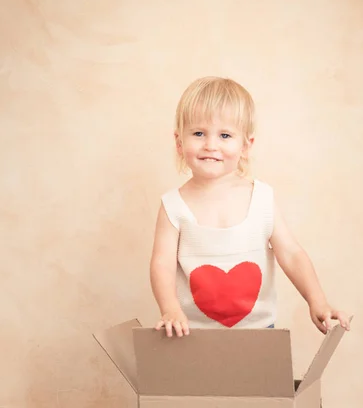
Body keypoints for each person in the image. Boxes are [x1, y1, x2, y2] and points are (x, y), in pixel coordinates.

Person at [150, 76, 350, 337]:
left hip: (259, 331)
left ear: (245, 146)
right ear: (179, 142)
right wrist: (170, 309)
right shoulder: (173, 206)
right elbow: (162, 263)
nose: (211, 145)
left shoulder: (261, 198)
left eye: (225, 135)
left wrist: (317, 300)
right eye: (199, 133)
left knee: (257, 379)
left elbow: (290, 253)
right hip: (193, 334)